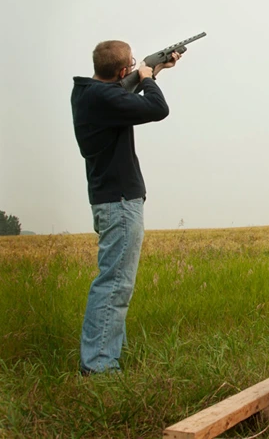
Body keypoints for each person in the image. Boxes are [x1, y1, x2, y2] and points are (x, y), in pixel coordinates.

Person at [71, 40, 181, 374]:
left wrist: (157, 68)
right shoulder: (104, 97)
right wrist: (147, 77)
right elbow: (157, 109)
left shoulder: (88, 93)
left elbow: (125, 98)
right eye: (130, 65)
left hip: (110, 198)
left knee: (114, 281)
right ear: (123, 70)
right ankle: (100, 367)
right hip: (119, 201)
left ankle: (106, 353)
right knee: (115, 283)